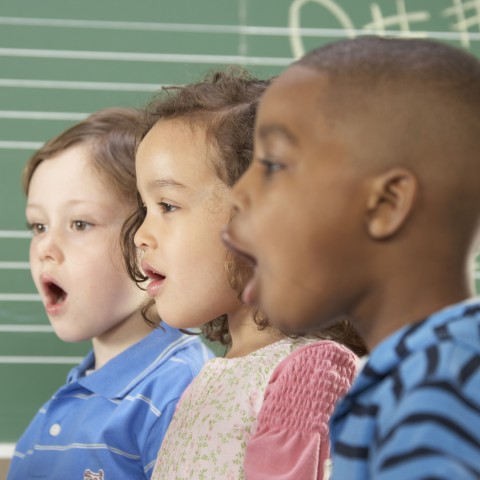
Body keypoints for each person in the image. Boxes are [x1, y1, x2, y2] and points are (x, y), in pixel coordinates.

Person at [224, 36, 480, 479]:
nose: (240, 193)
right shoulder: (409, 376)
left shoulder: (435, 389)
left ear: (386, 205)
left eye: (274, 165)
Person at [121, 69, 363, 480]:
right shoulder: (214, 375)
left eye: (168, 205)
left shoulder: (309, 372)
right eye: (145, 208)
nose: (141, 235)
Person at [7, 108, 211, 480]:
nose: (45, 248)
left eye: (80, 223)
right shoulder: (74, 394)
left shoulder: (181, 395)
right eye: (38, 225)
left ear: (146, 238)